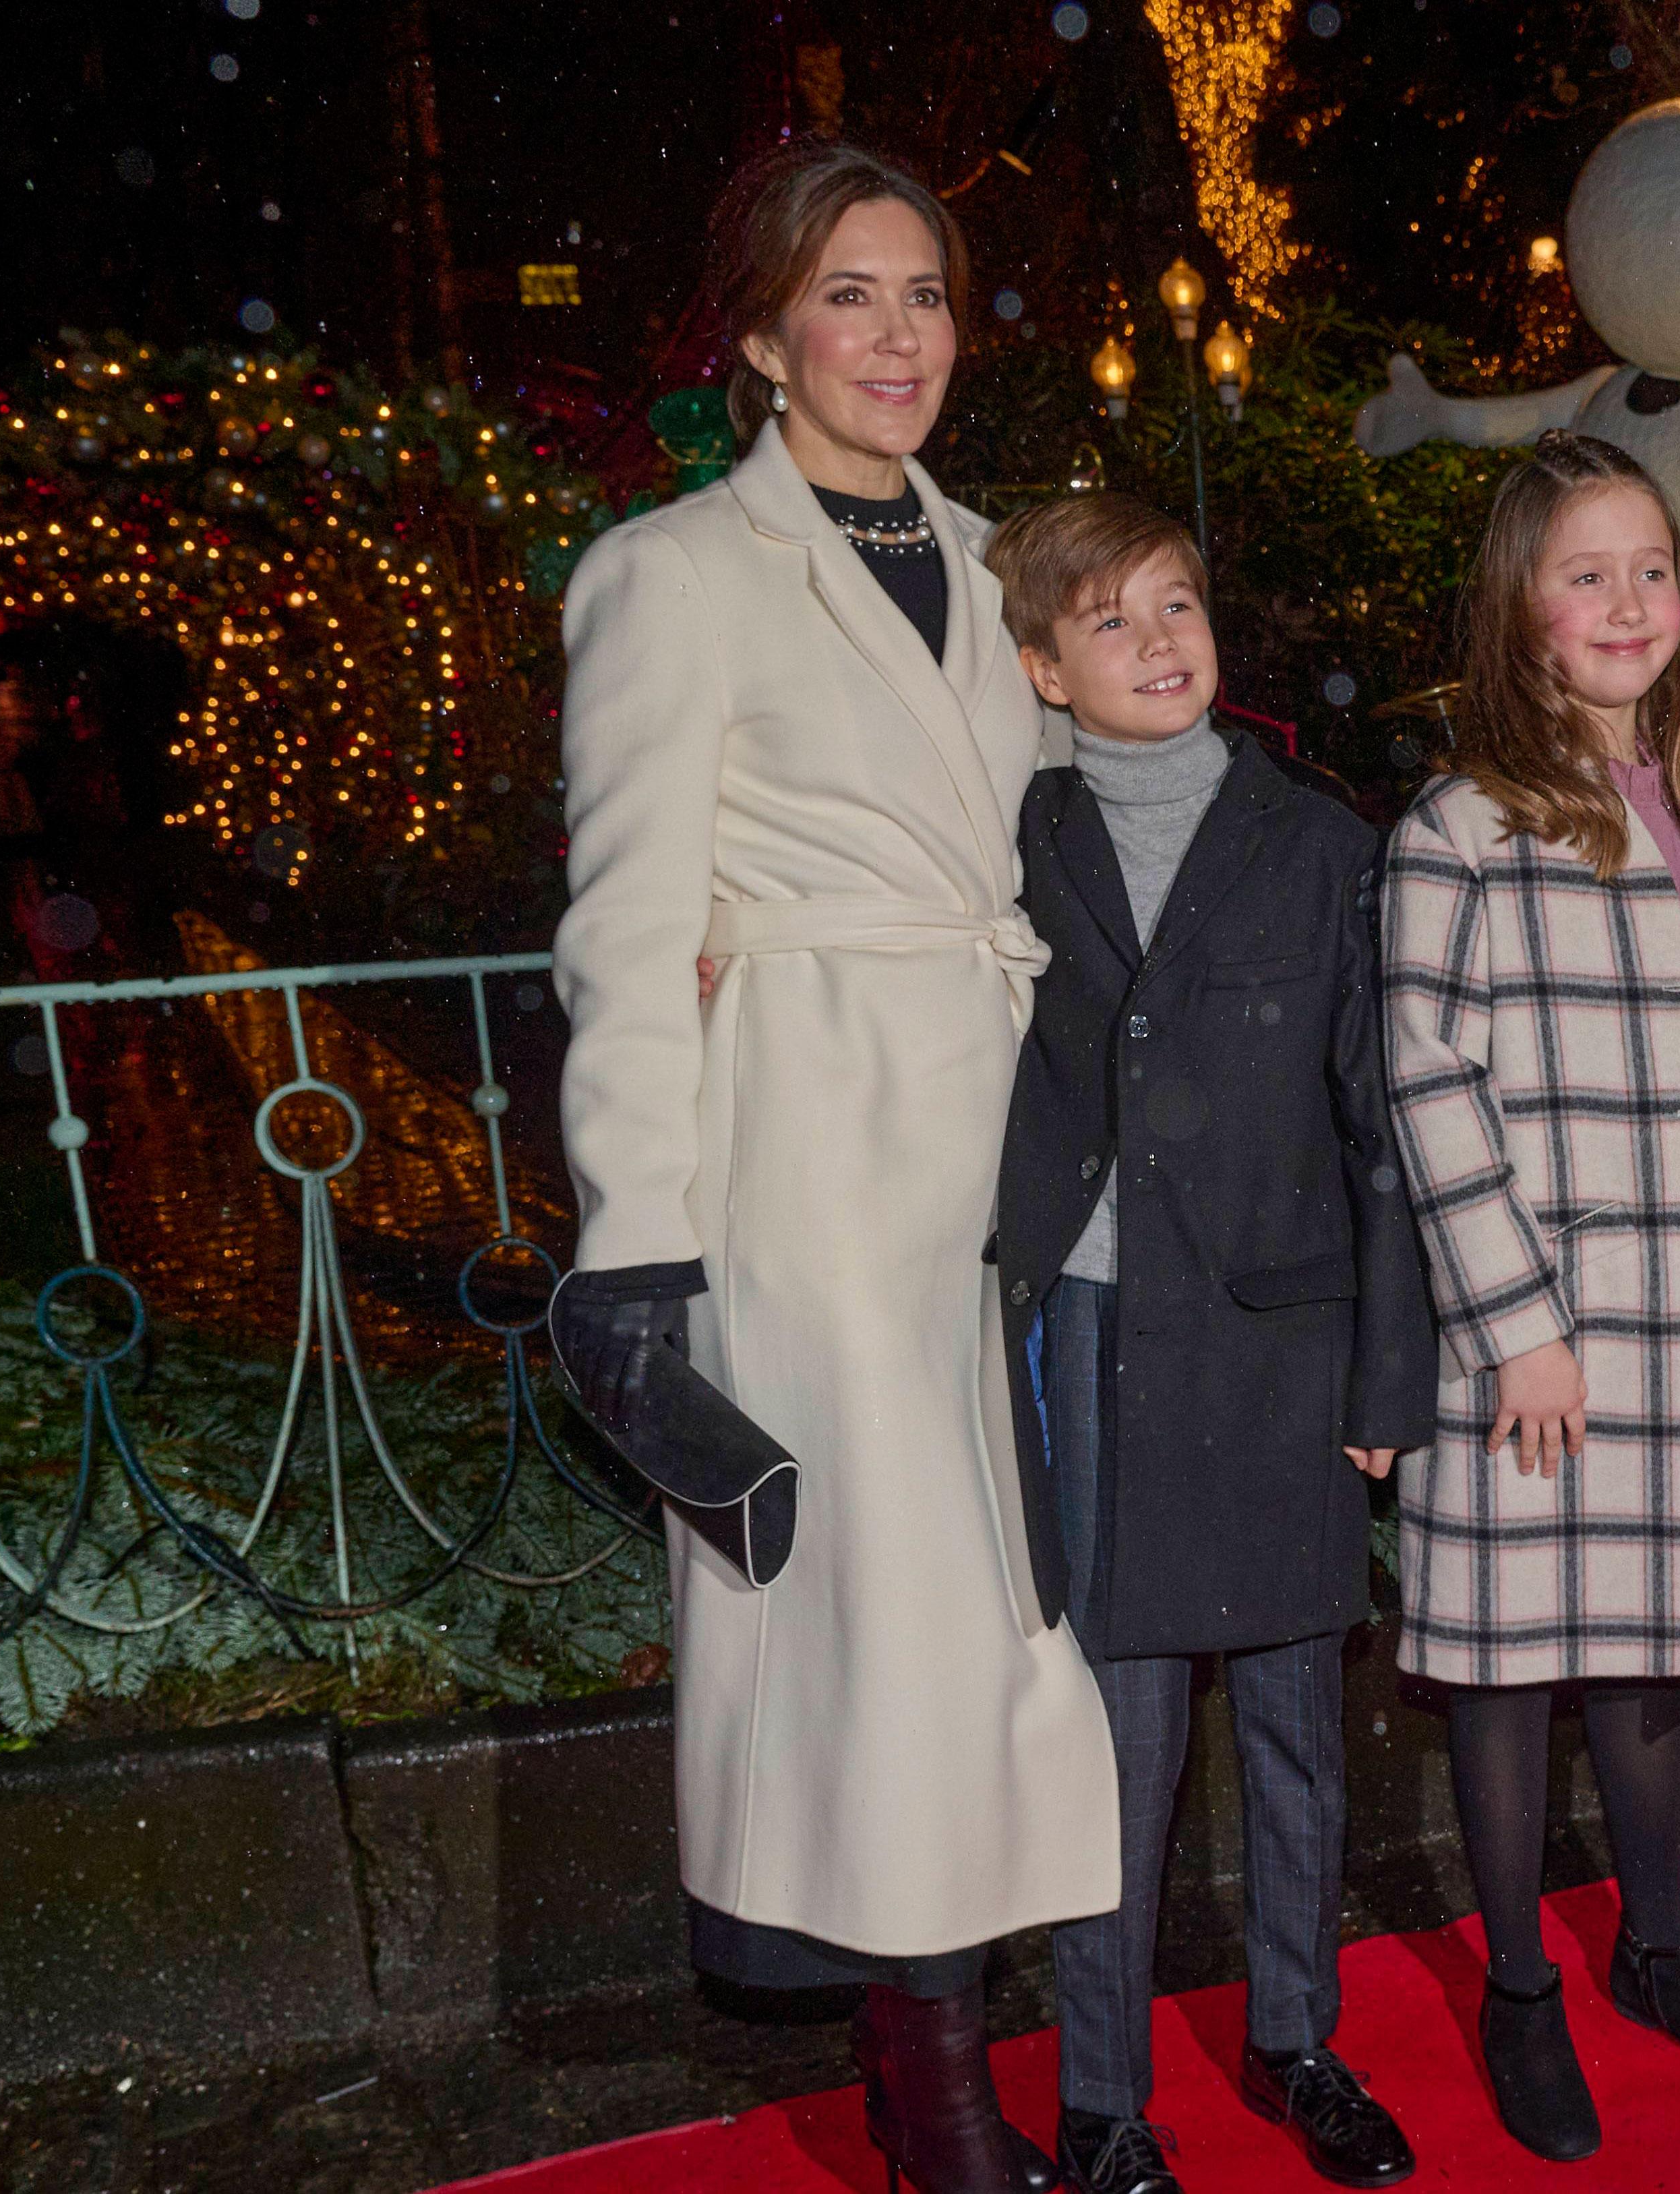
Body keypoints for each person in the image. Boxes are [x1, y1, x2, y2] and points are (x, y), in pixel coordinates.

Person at [549, 140, 1115, 2194]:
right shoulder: (672, 571)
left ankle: (935, 2051)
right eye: (853, 295)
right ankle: (942, 2081)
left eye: (929, 296)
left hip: (1002, 1146)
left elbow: (1086, 806)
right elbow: (620, 933)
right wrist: (634, 1248)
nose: (899, 337)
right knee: (889, 1631)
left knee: (1011, 1615)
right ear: (769, 332)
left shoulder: (1000, 561)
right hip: (806, 1150)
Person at [984, 491, 1433, 2194]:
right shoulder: (1009, 837)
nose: (1160, 640)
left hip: (1279, 1343)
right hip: (1095, 1339)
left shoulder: (1319, 844)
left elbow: (1379, 1123)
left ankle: (1298, 2039)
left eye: (1177, 602)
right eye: (1108, 619)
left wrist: (1394, 1373)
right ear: (1040, 664)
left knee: (1298, 1731)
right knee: (1117, 1739)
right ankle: (1100, 2102)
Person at [1380, 432, 1680, 2163]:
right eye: (1583, 573)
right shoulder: (1458, 828)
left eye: (1650, 570)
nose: (1625, 601)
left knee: (1641, 1662)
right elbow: (1426, 1084)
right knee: (1504, 1676)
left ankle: (1654, 1947)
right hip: (1533, 1344)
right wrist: (1517, 1324)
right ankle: (1515, 1987)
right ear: (1520, 612)